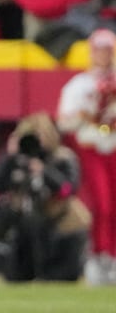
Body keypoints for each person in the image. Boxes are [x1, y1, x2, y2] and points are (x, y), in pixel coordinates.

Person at [0, 113, 90, 282]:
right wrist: (10, 157)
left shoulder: (62, 157)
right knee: (15, 274)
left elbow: (68, 189)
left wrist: (45, 171)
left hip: (58, 224)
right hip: (25, 226)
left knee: (59, 276)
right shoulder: (17, 160)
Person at [57, 29, 116, 285]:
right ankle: (99, 255)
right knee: (101, 205)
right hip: (92, 148)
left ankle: (111, 255)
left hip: (113, 147)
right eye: (99, 50)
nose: (104, 56)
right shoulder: (79, 85)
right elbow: (64, 121)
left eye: (107, 50)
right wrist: (85, 115)